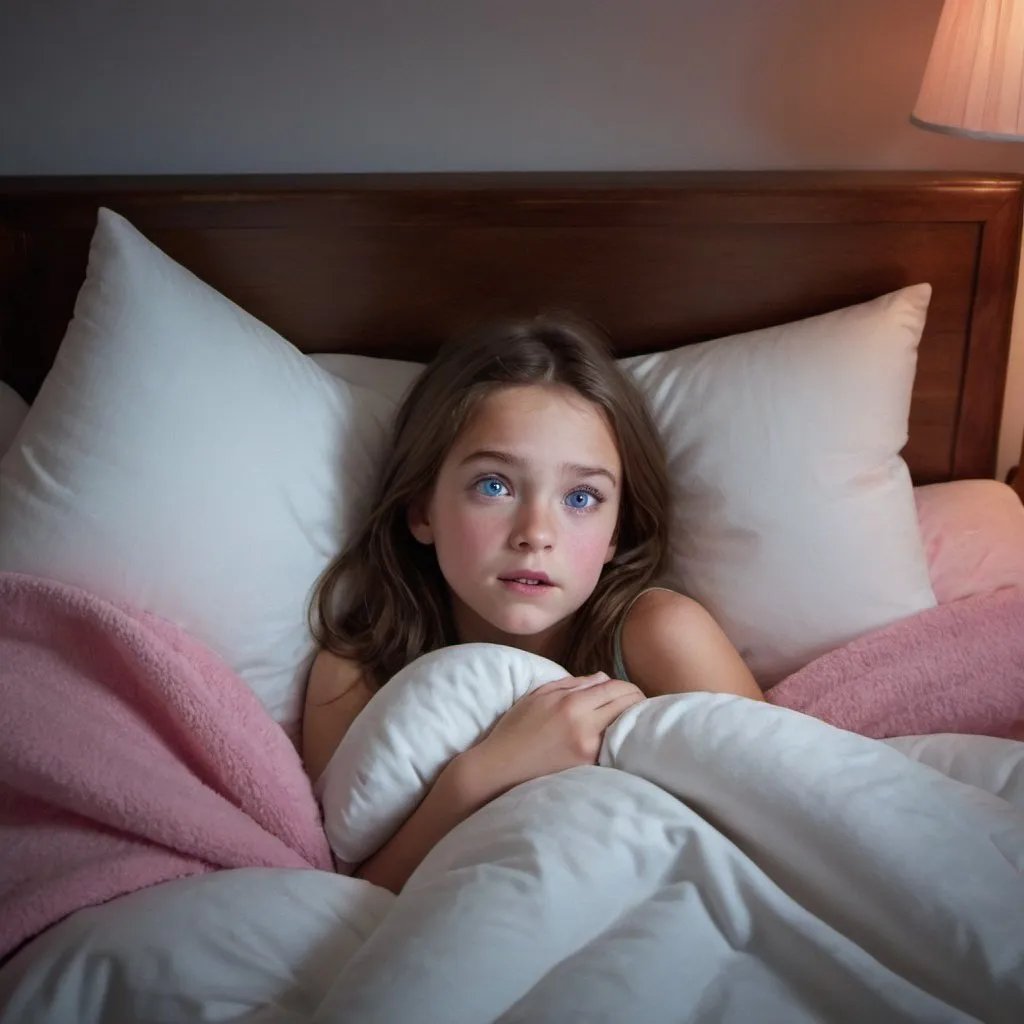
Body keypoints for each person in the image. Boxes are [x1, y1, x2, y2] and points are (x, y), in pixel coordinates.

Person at [302, 314, 762, 893]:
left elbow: (788, 810)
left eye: (581, 496)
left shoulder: (659, 635)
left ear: (617, 531)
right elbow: (347, 890)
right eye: (494, 485)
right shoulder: (356, 670)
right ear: (422, 511)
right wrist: (485, 773)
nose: (535, 532)